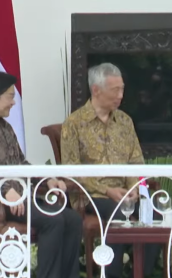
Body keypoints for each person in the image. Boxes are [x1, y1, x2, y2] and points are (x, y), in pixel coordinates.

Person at [0, 71, 82, 278]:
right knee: (53, 221)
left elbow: (21, 163)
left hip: (23, 197)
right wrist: (5, 191)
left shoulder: (5, 128)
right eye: (9, 96)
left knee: (72, 219)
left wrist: (48, 179)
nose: (13, 102)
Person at [61, 62, 161, 278]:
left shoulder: (125, 121)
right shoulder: (74, 123)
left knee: (157, 213)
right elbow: (71, 168)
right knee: (117, 213)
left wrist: (134, 186)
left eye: (122, 89)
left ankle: (141, 274)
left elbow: (136, 162)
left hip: (126, 191)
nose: (121, 95)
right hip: (91, 195)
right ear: (96, 90)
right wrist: (107, 190)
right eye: (115, 90)